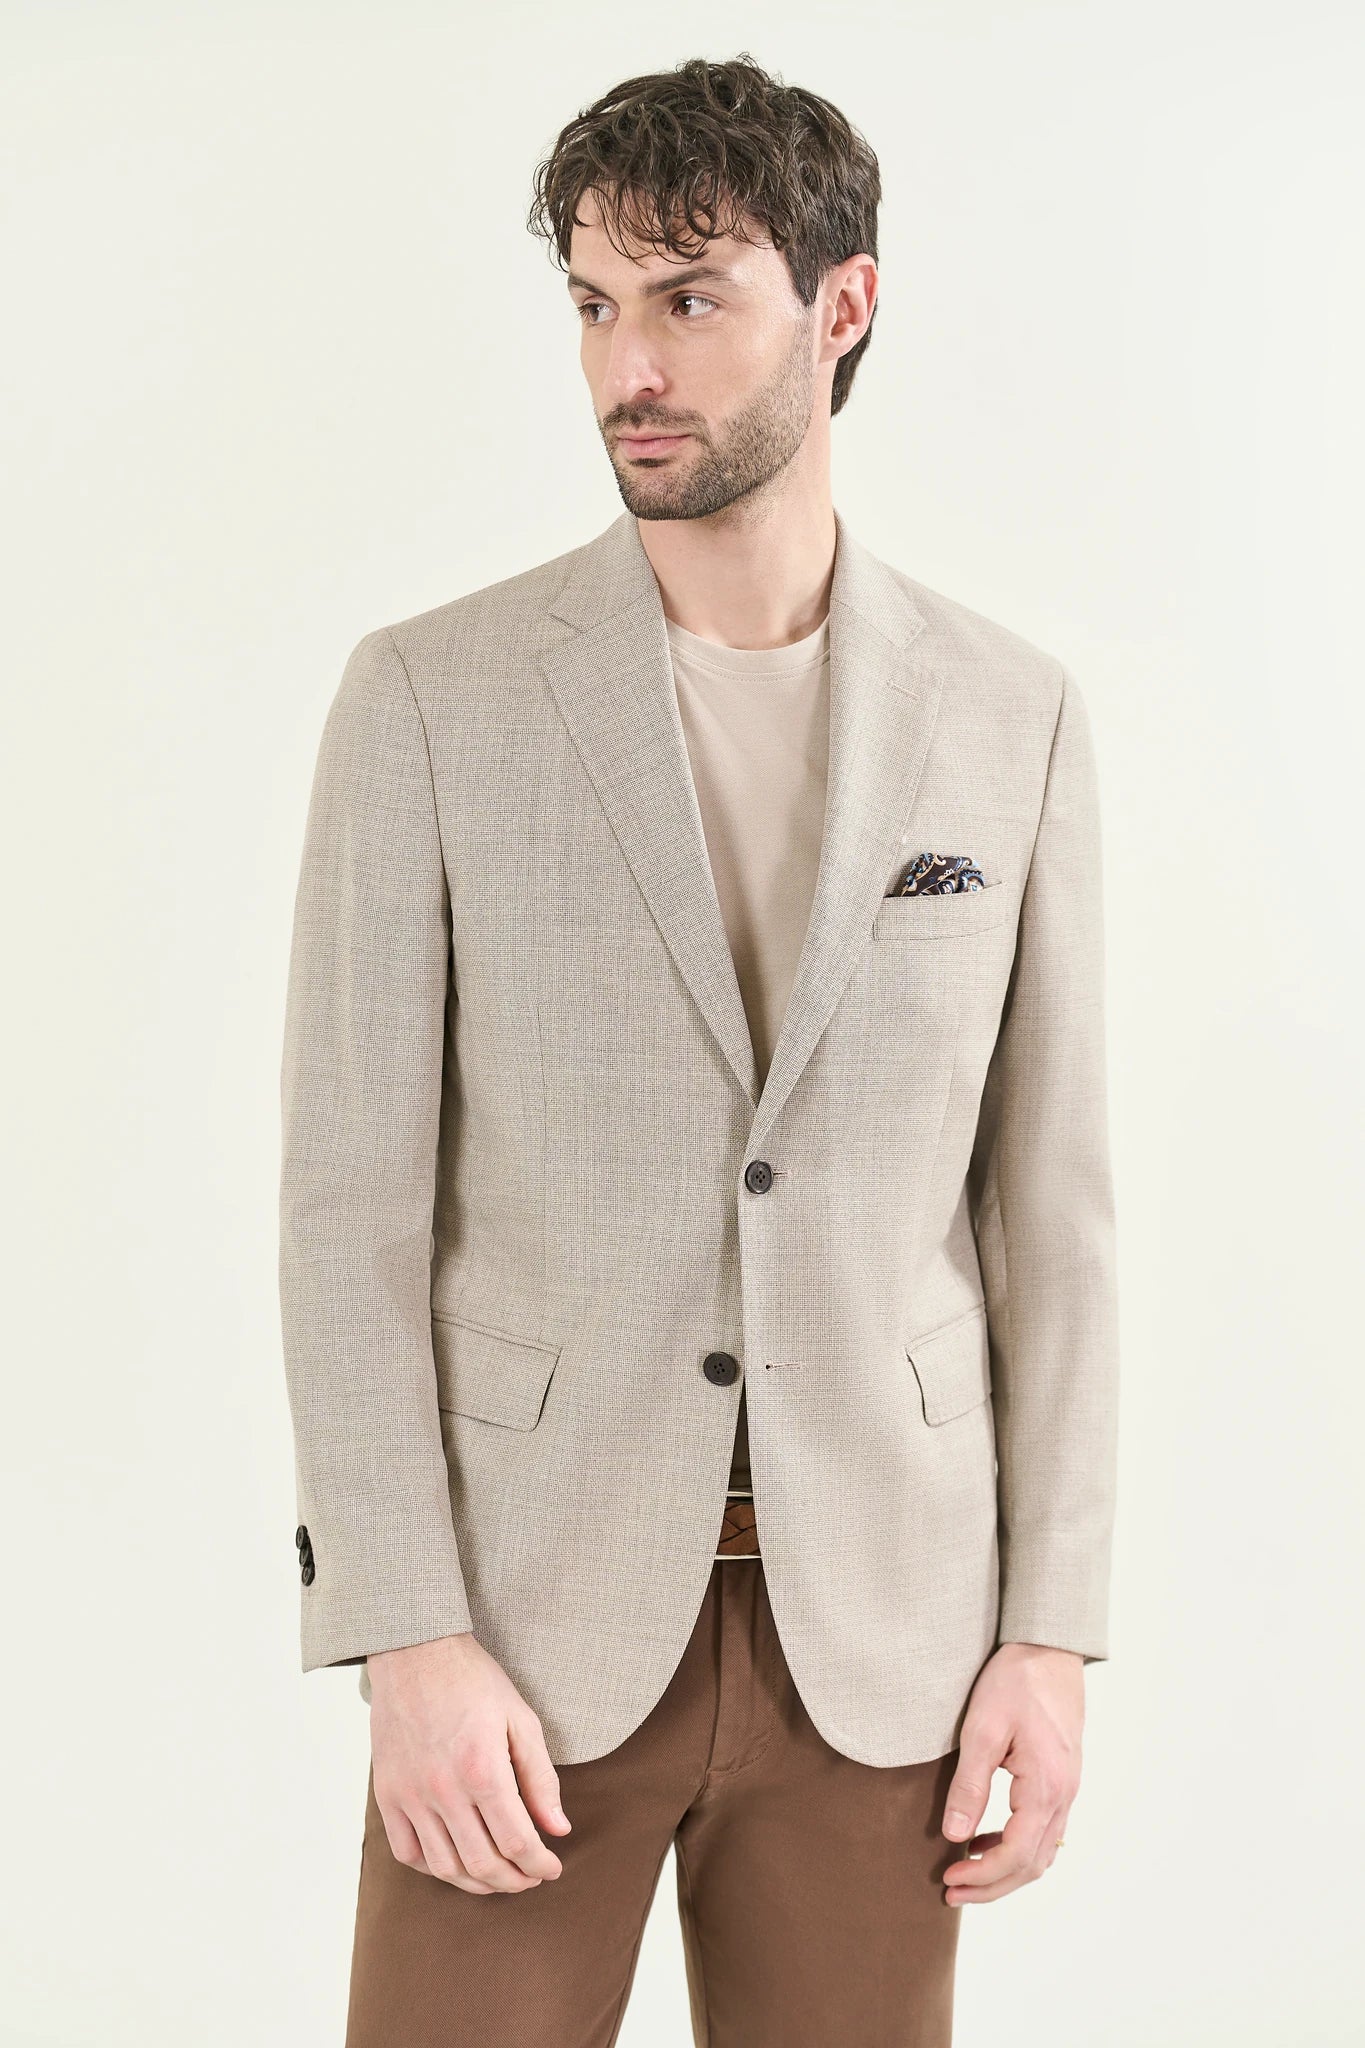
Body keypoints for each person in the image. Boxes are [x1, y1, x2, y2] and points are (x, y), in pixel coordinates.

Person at [278, 52, 1119, 2048]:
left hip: (884, 1644)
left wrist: (1049, 1632)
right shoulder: (432, 700)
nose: (624, 368)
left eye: (686, 297)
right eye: (591, 304)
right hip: (522, 1643)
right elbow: (345, 1214)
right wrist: (403, 1632)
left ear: (840, 307)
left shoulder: (1007, 716)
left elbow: (1051, 1216)